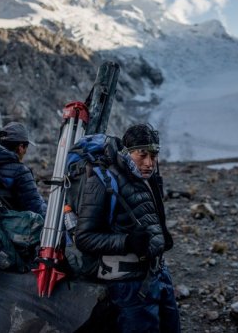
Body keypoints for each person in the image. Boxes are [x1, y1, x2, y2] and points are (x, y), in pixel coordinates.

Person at [74, 123, 181, 333]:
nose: (149, 163)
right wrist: (127, 241)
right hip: (129, 286)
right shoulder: (103, 181)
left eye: (154, 155)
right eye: (143, 155)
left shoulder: (146, 178)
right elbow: (84, 237)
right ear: (127, 153)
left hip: (158, 273)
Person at [0, 121, 47, 217]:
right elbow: (35, 207)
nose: (25, 152)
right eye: (26, 147)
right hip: (8, 226)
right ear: (21, 147)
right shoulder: (21, 171)